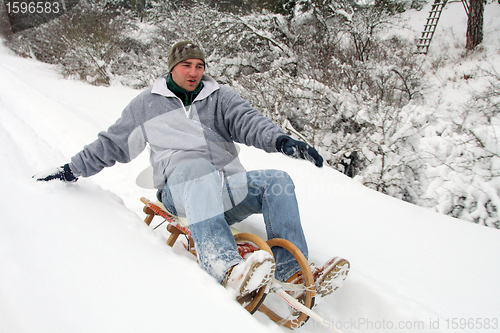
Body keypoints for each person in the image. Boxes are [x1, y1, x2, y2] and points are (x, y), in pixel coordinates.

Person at [36, 41, 349, 300]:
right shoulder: (147, 104)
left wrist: (281, 141)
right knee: (196, 168)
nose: (194, 72)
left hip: (226, 190)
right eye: (187, 65)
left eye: (199, 66)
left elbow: (248, 121)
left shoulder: (219, 97)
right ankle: (224, 265)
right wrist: (71, 169)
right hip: (181, 192)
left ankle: (292, 271)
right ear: (172, 67)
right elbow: (112, 144)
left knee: (277, 180)